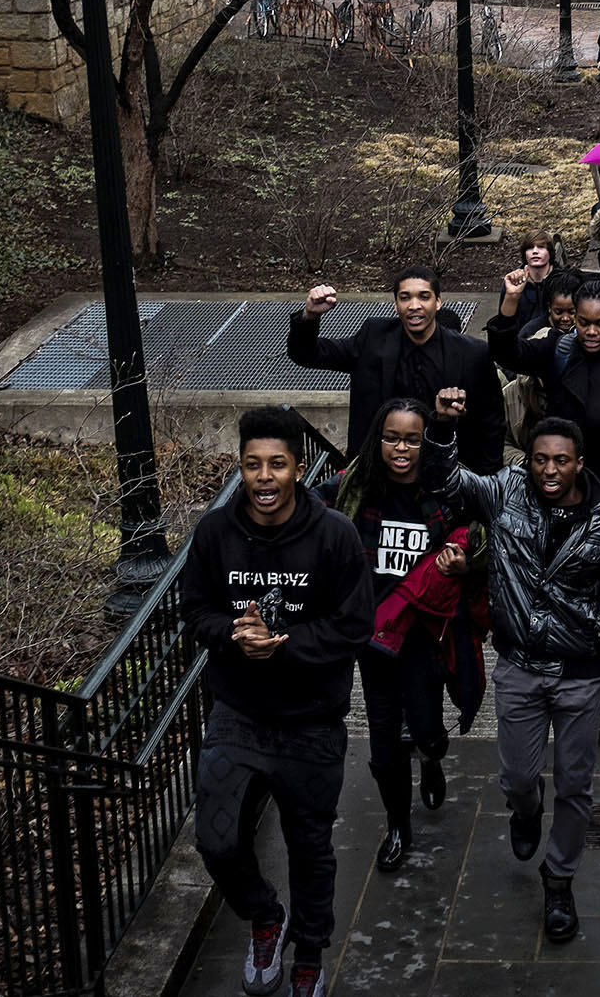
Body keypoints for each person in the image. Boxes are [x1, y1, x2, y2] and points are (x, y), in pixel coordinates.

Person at [430, 411, 600, 942]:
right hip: (520, 667)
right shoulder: (506, 492)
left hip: (581, 674)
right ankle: (525, 813)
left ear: (580, 464)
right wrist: (441, 429)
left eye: (561, 460)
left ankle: (559, 880)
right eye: (540, 459)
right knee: (519, 778)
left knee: (576, 786)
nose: (549, 470)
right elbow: (449, 481)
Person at [185, 408, 374, 997]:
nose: (264, 478)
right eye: (252, 466)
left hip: (310, 720)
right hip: (238, 712)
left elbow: (355, 625)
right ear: (240, 468)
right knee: (215, 840)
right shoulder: (215, 534)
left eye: (276, 465)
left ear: (297, 467)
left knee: (310, 848)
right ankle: (267, 917)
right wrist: (233, 636)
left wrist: (282, 648)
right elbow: (196, 611)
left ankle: (310, 955)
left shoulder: (334, 535)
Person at [319, 396, 481, 873]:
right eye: (392, 437)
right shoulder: (356, 487)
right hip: (373, 639)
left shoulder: (444, 493)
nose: (401, 448)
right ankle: (397, 824)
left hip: (424, 636)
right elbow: (309, 509)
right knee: (384, 742)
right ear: (379, 440)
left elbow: (482, 531)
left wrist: (463, 557)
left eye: (412, 438)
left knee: (428, 726)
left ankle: (432, 757)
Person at [290, 266, 505, 470]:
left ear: (438, 302)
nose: (414, 306)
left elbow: (492, 424)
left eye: (423, 296)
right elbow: (307, 354)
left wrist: (487, 485)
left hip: (445, 477)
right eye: (405, 298)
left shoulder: (473, 354)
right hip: (378, 477)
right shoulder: (372, 338)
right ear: (395, 304)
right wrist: (310, 316)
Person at [489, 275, 600, 481]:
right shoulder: (558, 352)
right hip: (565, 483)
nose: (591, 332)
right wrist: (511, 300)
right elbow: (508, 354)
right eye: (584, 323)